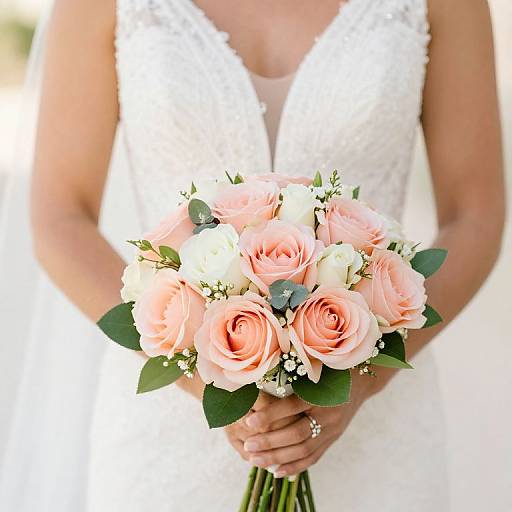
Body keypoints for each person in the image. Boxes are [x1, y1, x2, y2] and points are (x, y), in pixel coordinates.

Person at [12, 0, 508, 510]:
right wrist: (206, 377)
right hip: (166, 441)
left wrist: (361, 382)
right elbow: (60, 217)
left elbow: (474, 215)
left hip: (377, 433)